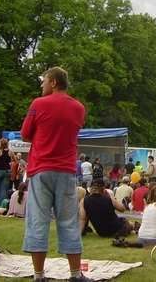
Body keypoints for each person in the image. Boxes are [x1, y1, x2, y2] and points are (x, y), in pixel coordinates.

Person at [20, 66, 94, 282]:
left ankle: (38, 275)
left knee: (38, 221)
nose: (41, 85)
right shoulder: (79, 108)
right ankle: (75, 274)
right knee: (69, 222)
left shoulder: (38, 104)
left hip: (41, 170)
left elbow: (25, 135)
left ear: (53, 83)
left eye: (43, 81)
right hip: (66, 171)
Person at [0, 138, 18, 208]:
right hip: (7, 171)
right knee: (3, 188)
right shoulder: (10, 152)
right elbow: (15, 160)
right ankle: (1, 203)